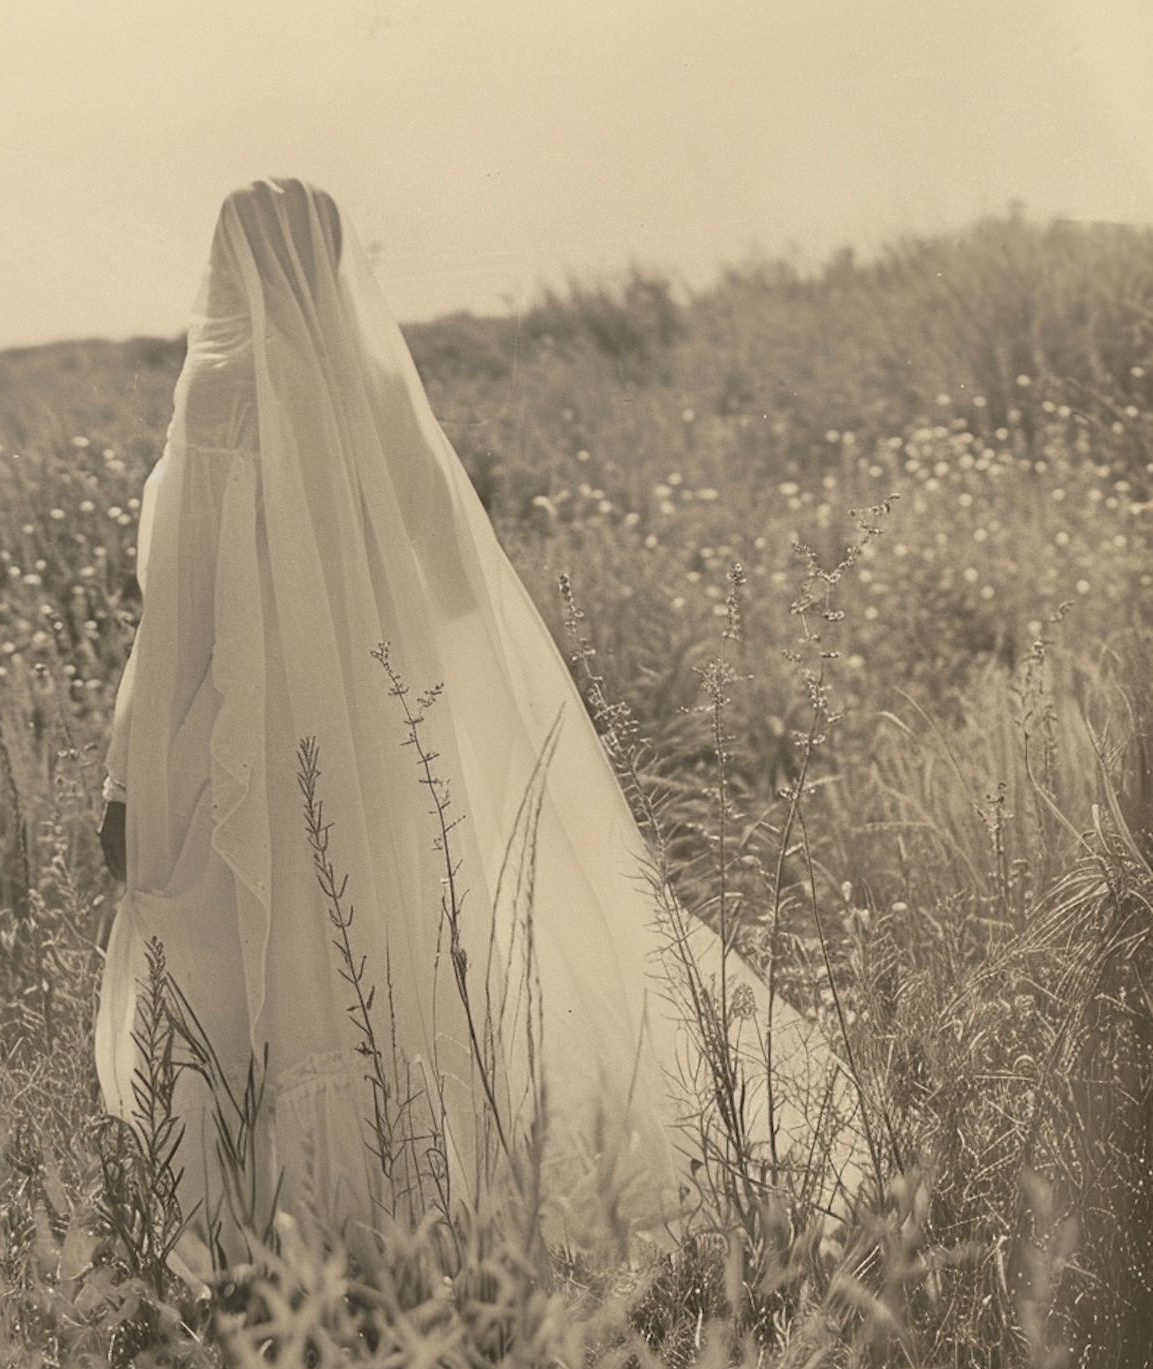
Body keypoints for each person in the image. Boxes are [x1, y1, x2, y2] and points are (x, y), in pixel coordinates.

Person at [97, 178, 850, 1262]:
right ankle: (436, 1204)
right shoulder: (379, 399)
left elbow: (173, 631)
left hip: (238, 762)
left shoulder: (215, 402)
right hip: (382, 755)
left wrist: (131, 787)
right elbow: (454, 591)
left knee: (259, 985)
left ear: (228, 266)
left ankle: (286, 1233)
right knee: (392, 960)